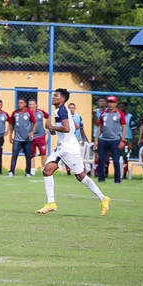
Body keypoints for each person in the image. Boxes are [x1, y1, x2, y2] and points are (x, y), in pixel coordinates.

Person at [37, 88, 110, 216]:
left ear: (63, 99)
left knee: (80, 176)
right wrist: (54, 130)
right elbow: (74, 126)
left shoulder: (62, 110)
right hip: (61, 147)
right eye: (53, 95)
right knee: (47, 171)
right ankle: (51, 203)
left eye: (56, 95)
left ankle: (103, 198)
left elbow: (66, 128)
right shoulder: (61, 111)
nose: (53, 97)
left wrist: (51, 127)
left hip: (69, 149)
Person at [95, 96, 125, 183]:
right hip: (103, 139)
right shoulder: (103, 114)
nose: (110, 104)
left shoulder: (119, 114)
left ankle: (117, 179)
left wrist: (122, 140)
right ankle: (101, 178)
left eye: (112, 102)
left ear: (115, 104)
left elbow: (124, 127)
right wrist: (96, 139)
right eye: (109, 102)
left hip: (115, 140)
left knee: (116, 160)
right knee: (101, 160)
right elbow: (100, 127)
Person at [7, 98, 35, 177]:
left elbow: (34, 123)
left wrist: (32, 131)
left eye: (21, 103)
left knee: (28, 156)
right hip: (17, 139)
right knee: (14, 155)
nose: (19, 104)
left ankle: (28, 172)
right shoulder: (15, 113)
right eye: (18, 103)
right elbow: (12, 124)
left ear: (25, 104)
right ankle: (11, 171)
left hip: (27, 139)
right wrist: (10, 135)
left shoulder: (29, 112)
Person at [28, 99, 49, 176]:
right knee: (31, 155)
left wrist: (47, 128)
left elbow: (48, 117)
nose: (30, 106)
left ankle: (45, 170)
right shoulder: (27, 113)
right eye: (29, 104)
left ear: (35, 105)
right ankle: (32, 170)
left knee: (43, 154)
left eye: (32, 104)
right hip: (31, 137)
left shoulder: (40, 112)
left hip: (41, 136)